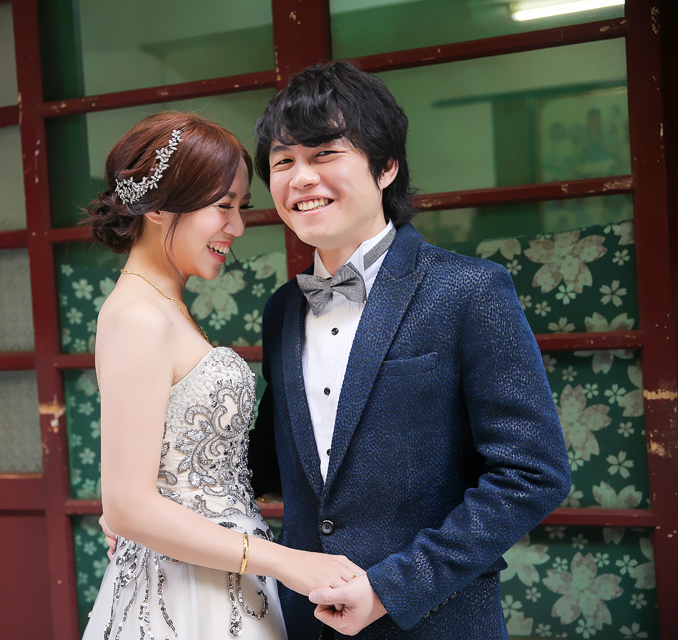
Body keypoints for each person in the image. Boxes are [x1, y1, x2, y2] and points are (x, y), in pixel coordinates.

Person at [247, 61, 572, 638]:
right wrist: (156, 504)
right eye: (283, 161)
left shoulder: (468, 291)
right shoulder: (282, 310)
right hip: (303, 622)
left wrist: (390, 589)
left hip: (435, 622)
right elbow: (271, 464)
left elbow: (532, 473)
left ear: (386, 166)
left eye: (325, 154)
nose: (301, 178)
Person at [83, 111, 363, 640]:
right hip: (184, 593)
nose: (237, 227)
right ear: (160, 207)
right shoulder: (137, 316)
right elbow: (127, 507)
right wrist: (288, 562)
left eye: (241, 207)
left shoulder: (164, 305)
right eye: (223, 207)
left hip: (220, 574)